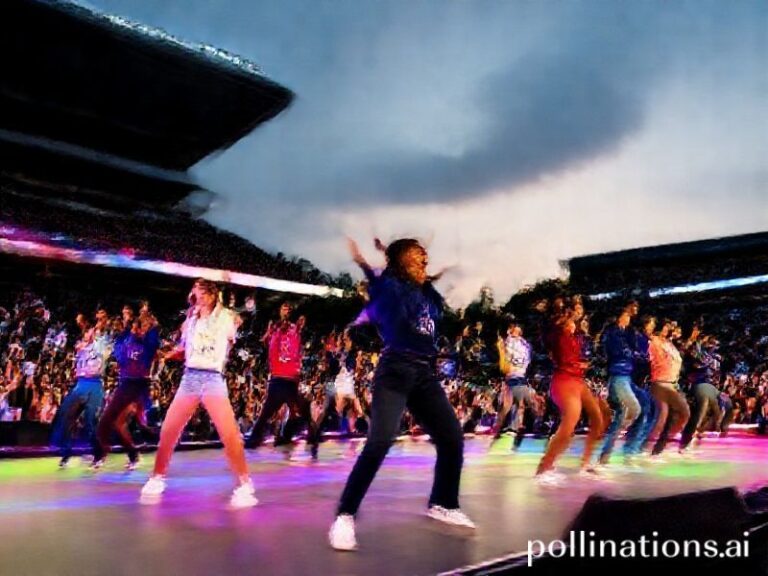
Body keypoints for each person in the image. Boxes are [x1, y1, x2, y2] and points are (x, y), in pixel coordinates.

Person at [329, 238, 474, 552]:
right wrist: (369, 261)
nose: (425, 260)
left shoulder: (427, 294)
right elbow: (379, 288)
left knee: (452, 438)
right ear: (399, 263)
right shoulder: (391, 288)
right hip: (395, 370)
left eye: (425, 257)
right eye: (417, 256)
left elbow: (435, 297)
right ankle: (345, 514)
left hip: (425, 373)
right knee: (381, 440)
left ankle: (443, 503)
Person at [140, 279, 256, 508]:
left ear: (212, 295)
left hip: (212, 379)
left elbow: (240, 319)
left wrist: (229, 296)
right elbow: (185, 349)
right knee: (169, 429)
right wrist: (166, 354)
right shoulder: (190, 320)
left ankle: (244, 484)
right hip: (190, 378)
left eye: (202, 291)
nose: (196, 295)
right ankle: (157, 477)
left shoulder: (226, 317)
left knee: (229, 433)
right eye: (195, 291)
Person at [535, 302, 604, 485]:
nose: (574, 321)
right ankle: (543, 469)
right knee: (569, 425)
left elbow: (583, 348)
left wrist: (584, 363)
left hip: (578, 381)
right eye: (570, 319)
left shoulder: (575, 337)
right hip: (563, 381)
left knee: (598, 418)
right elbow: (554, 338)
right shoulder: (557, 335)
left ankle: (585, 464)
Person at [245, 302, 319, 458]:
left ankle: (311, 433)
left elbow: (300, 341)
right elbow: (264, 342)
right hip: (277, 377)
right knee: (267, 412)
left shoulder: (295, 328)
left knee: (299, 410)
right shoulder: (275, 328)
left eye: (289, 309)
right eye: (284, 309)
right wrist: (271, 330)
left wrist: (299, 325)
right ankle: (254, 440)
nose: (286, 311)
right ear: (279, 311)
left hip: (290, 377)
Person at [92, 304, 160, 470]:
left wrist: (147, 318)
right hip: (125, 384)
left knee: (115, 422)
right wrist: (128, 318)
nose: (139, 330)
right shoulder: (126, 338)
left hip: (138, 386)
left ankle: (105, 454)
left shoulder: (149, 344)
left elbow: (152, 335)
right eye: (137, 327)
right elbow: (120, 334)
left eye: (143, 327)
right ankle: (129, 455)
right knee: (114, 423)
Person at [51, 309, 112, 468]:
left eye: (91, 331)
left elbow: (101, 337)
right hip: (80, 384)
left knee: (90, 422)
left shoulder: (103, 343)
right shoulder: (81, 345)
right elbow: (82, 339)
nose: (88, 333)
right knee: (66, 415)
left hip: (94, 384)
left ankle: (98, 455)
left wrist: (100, 322)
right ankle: (65, 454)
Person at [598, 307, 641, 466]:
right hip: (617, 376)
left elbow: (634, 352)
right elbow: (615, 352)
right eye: (627, 315)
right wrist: (630, 352)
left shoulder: (627, 334)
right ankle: (619, 433)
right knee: (634, 408)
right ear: (619, 316)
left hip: (626, 376)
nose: (629, 318)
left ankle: (605, 457)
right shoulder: (612, 333)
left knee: (622, 415)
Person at [647, 318, 690, 457]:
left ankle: (658, 448)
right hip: (659, 382)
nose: (668, 329)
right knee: (662, 417)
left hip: (672, 384)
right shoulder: (653, 341)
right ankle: (646, 448)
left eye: (669, 327)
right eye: (665, 326)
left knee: (679, 415)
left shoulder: (670, 344)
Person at [492, 321, 534, 451]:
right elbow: (504, 365)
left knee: (516, 404)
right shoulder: (510, 342)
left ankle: (512, 432)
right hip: (513, 377)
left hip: (518, 376)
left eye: (515, 328)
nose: (514, 330)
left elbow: (507, 365)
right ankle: (505, 430)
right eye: (512, 328)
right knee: (508, 405)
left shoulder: (523, 344)